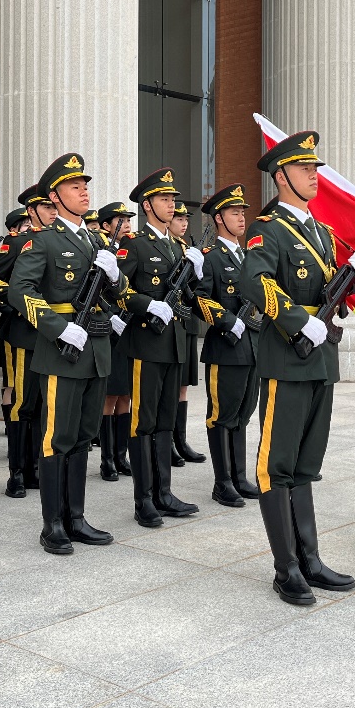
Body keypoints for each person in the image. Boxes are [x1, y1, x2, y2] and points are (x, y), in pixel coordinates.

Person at [241, 131, 355, 605]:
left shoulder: (321, 232)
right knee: (276, 466)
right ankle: (286, 568)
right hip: (286, 359)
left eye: (314, 168)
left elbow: (326, 294)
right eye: (303, 169)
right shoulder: (267, 228)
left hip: (320, 362)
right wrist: (298, 322)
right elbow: (253, 282)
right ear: (281, 176)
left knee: (305, 465)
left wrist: (352, 281)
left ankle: (311, 559)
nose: (314, 176)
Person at [8, 153, 128, 553]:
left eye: (85, 186)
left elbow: (118, 292)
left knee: (82, 437)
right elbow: (19, 291)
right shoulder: (42, 241)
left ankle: (76, 517)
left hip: (96, 351)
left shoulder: (96, 240)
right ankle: (52, 523)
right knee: (56, 438)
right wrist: (59, 328)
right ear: (55, 197)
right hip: (62, 351)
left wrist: (116, 276)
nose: (84, 192)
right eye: (75, 187)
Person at [117, 168, 201, 527]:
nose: (172, 205)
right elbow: (116, 289)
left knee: (166, 422)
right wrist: (146, 305)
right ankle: (143, 499)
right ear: (148, 204)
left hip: (175, 345)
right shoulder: (134, 244)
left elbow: (191, 296)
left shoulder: (178, 246)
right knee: (143, 421)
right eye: (165, 200)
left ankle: (164, 492)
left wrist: (197, 271)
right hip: (146, 345)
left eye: (173, 199)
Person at [193, 184, 258, 507]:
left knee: (243, 414)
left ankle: (239, 476)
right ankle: (222, 482)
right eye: (235, 213)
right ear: (219, 218)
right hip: (226, 347)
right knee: (222, 415)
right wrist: (226, 319)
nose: (241, 218)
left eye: (243, 212)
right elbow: (199, 299)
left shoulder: (248, 256)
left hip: (253, 347)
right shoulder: (212, 258)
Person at [0, 199, 40, 497]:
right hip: (21, 330)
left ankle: (35, 467)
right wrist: (16, 304)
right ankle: (17, 473)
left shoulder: (57, 242)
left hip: (49, 332)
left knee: (42, 405)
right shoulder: (16, 243)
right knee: (22, 402)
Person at [95, 200, 136, 482]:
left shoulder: (133, 249)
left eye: (129, 220)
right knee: (110, 395)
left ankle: (121, 456)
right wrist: (110, 316)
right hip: (110, 328)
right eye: (120, 221)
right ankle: (107, 459)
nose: (127, 226)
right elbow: (95, 289)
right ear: (106, 226)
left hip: (129, 327)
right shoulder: (100, 251)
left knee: (126, 395)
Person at [167, 202, 206, 466]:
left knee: (182, 386)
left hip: (186, 322)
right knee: (169, 387)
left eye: (185, 219)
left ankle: (180, 440)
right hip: (166, 324)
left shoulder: (186, 249)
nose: (184, 223)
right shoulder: (165, 248)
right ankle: (167, 440)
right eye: (179, 218)